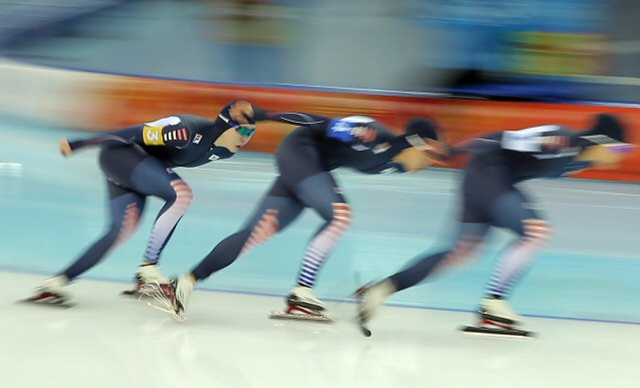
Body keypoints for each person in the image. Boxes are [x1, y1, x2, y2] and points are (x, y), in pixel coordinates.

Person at [355, 113, 633, 335]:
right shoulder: (561, 141)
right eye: (620, 147)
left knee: (460, 252)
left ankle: (380, 290)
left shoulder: (577, 161)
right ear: (600, 141)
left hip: (488, 181)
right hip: (487, 175)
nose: (622, 154)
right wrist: (452, 152)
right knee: (535, 232)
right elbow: (501, 139)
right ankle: (494, 303)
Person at [154, 109, 448, 319]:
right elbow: (318, 122)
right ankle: (302, 293)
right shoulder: (371, 134)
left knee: (255, 233)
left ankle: (185, 282)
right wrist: (265, 115)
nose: (432, 162)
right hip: (300, 151)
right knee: (340, 215)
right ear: (414, 143)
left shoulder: (397, 164)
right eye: (430, 154)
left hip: (308, 166)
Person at [26, 101, 272, 305]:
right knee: (181, 194)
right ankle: (149, 268)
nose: (246, 139)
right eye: (242, 132)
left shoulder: (226, 150)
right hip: (120, 155)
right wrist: (80, 143)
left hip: (138, 171)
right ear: (225, 126)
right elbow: (129, 133)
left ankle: (55, 284)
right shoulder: (184, 130)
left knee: (119, 232)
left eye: (251, 133)